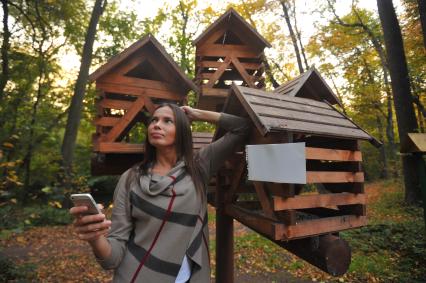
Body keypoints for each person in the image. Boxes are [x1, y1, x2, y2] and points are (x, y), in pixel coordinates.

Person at [70, 104, 250, 283]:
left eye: (167, 121)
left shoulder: (198, 167)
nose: (156, 125)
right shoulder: (131, 178)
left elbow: (243, 128)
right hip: (136, 275)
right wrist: (95, 238)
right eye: (154, 120)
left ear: (182, 131)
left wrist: (198, 114)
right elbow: (112, 257)